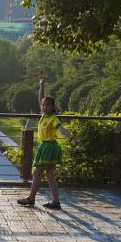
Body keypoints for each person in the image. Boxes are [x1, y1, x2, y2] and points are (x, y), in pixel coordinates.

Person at [17, 75, 76, 210]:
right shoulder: (44, 116)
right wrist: (42, 85)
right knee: (50, 176)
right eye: (44, 105)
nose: (44, 106)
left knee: (37, 173)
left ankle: (31, 198)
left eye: (48, 105)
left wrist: (72, 138)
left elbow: (61, 129)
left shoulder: (53, 118)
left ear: (53, 107)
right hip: (46, 147)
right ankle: (56, 202)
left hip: (49, 147)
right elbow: (41, 99)